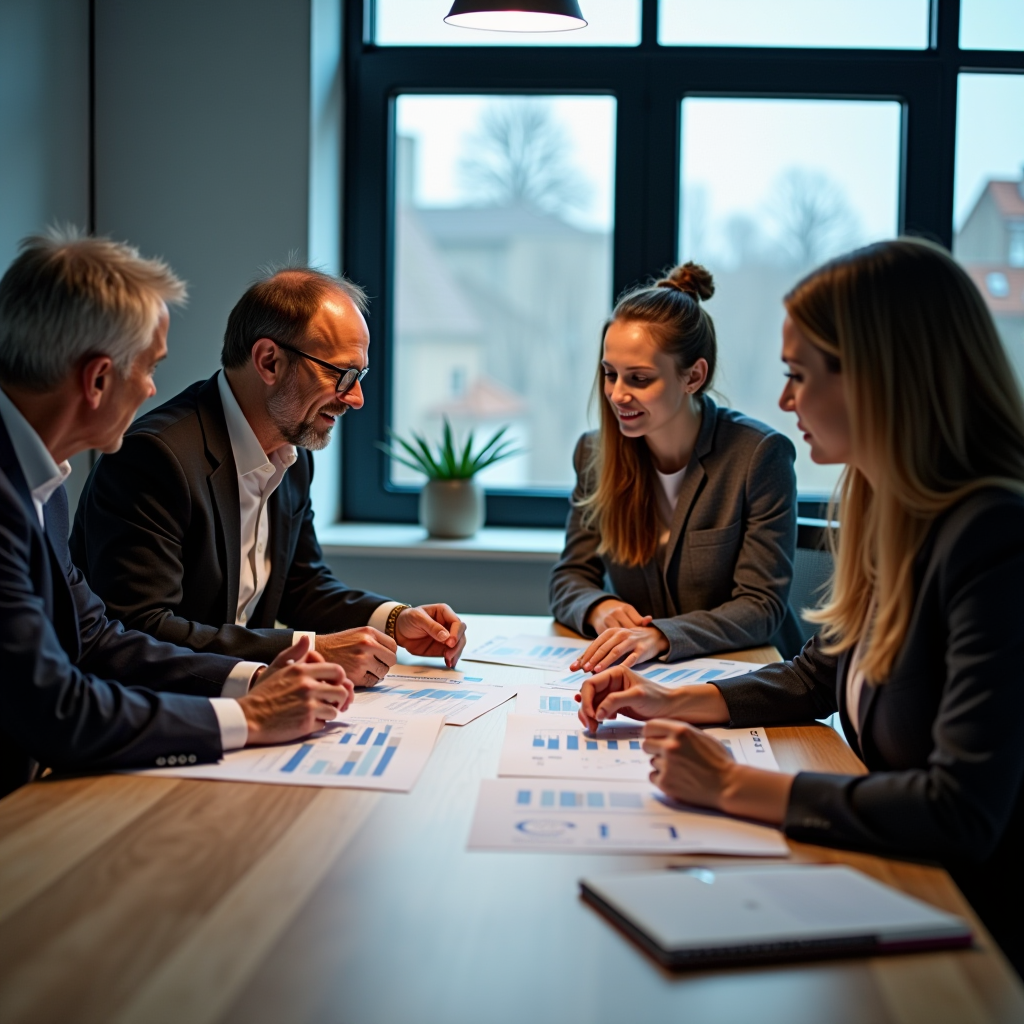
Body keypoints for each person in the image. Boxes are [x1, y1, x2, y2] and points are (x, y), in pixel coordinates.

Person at [578, 238, 1024, 974]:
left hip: (967, 932)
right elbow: (819, 675)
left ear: (883, 379)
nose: (786, 402)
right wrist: (670, 704)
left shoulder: (994, 538)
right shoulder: (898, 510)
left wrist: (730, 784)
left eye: (799, 376)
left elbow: (962, 811)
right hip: (890, 881)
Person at [0, 232, 355, 798]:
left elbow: (95, 637)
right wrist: (253, 718)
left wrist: (260, 681)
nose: (151, 389)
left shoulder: (44, 485)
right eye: (147, 368)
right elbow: (55, 706)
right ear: (96, 380)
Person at [70, 268, 466, 688]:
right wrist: (307, 649)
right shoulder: (154, 457)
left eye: (360, 376)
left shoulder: (292, 449)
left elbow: (301, 583)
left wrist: (393, 620)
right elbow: (143, 628)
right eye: (341, 375)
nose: (356, 398)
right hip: (161, 706)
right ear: (269, 361)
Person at [549, 261, 802, 674]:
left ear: (693, 376)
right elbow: (570, 577)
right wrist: (599, 606)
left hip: (747, 674)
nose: (616, 394)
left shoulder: (760, 456)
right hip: (647, 676)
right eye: (610, 374)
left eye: (640, 379)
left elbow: (761, 607)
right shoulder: (593, 454)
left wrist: (662, 635)